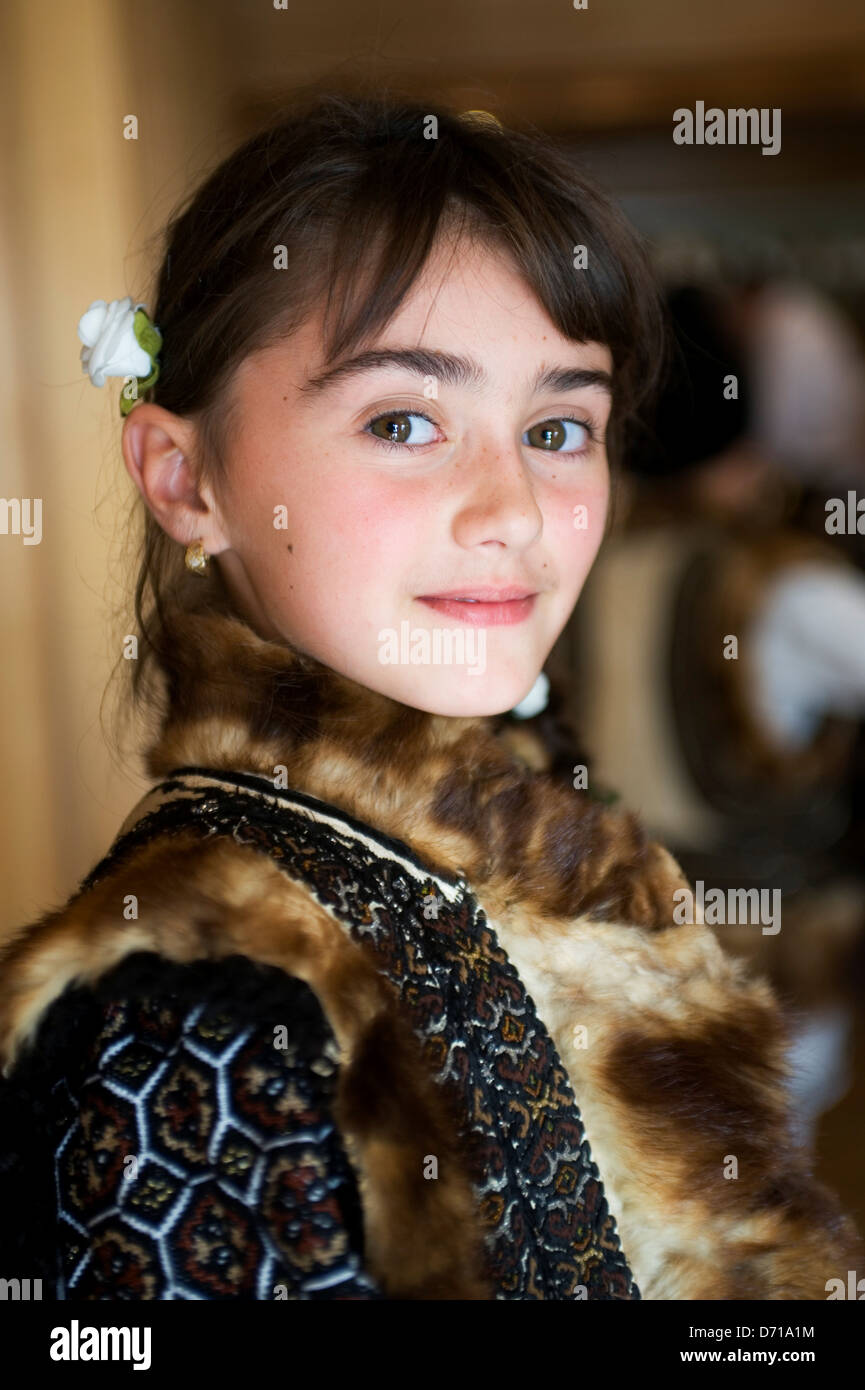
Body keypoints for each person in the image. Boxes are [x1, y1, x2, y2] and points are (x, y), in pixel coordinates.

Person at [0, 93, 860, 1302]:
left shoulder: (533, 826)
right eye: (405, 420)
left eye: (559, 427)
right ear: (185, 478)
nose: (512, 509)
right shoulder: (195, 1019)